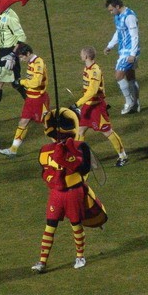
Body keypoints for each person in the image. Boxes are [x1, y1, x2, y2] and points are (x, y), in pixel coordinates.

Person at [32, 108, 100, 273]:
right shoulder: (45, 150)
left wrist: (66, 159)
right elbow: (44, 172)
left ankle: (80, 256)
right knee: (50, 226)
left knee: (76, 224)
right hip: (56, 193)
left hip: (73, 192)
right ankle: (42, 261)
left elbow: (84, 168)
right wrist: (53, 178)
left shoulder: (79, 147)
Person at [72, 47, 128, 167]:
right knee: (80, 131)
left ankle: (123, 156)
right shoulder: (87, 68)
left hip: (96, 108)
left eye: (81, 53)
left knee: (107, 132)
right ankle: (80, 158)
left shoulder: (95, 71)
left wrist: (77, 103)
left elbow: (92, 91)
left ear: (86, 56)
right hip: (88, 106)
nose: (80, 55)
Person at [0, 44, 49, 157]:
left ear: (28, 53)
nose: (21, 60)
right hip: (30, 99)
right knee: (23, 122)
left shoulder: (38, 63)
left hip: (38, 99)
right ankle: (13, 150)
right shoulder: (31, 62)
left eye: (22, 57)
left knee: (48, 124)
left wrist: (21, 82)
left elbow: (36, 83)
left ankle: (63, 144)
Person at [104, 0, 140, 114]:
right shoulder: (118, 15)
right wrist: (110, 45)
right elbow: (119, 31)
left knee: (118, 76)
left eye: (111, 10)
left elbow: (134, 36)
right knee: (130, 77)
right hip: (123, 50)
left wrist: (132, 54)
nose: (111, 13)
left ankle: (129, 101)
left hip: (129, 52)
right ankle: (136, 104)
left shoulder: (129, 17)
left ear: (117, 6)